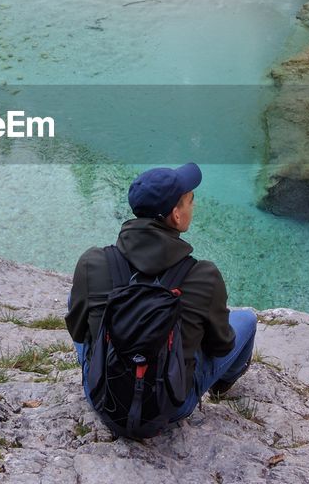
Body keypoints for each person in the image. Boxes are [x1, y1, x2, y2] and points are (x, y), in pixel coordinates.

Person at [65, 162, 257, 425]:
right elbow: (221, 345)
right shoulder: (203, 275)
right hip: (170, 407)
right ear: (176, 216)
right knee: (247, 320)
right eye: (191, 200)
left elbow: (78, 333)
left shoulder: (92, 262)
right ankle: (222, 387)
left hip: (103, 398)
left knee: (78, 300)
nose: (194, 206)